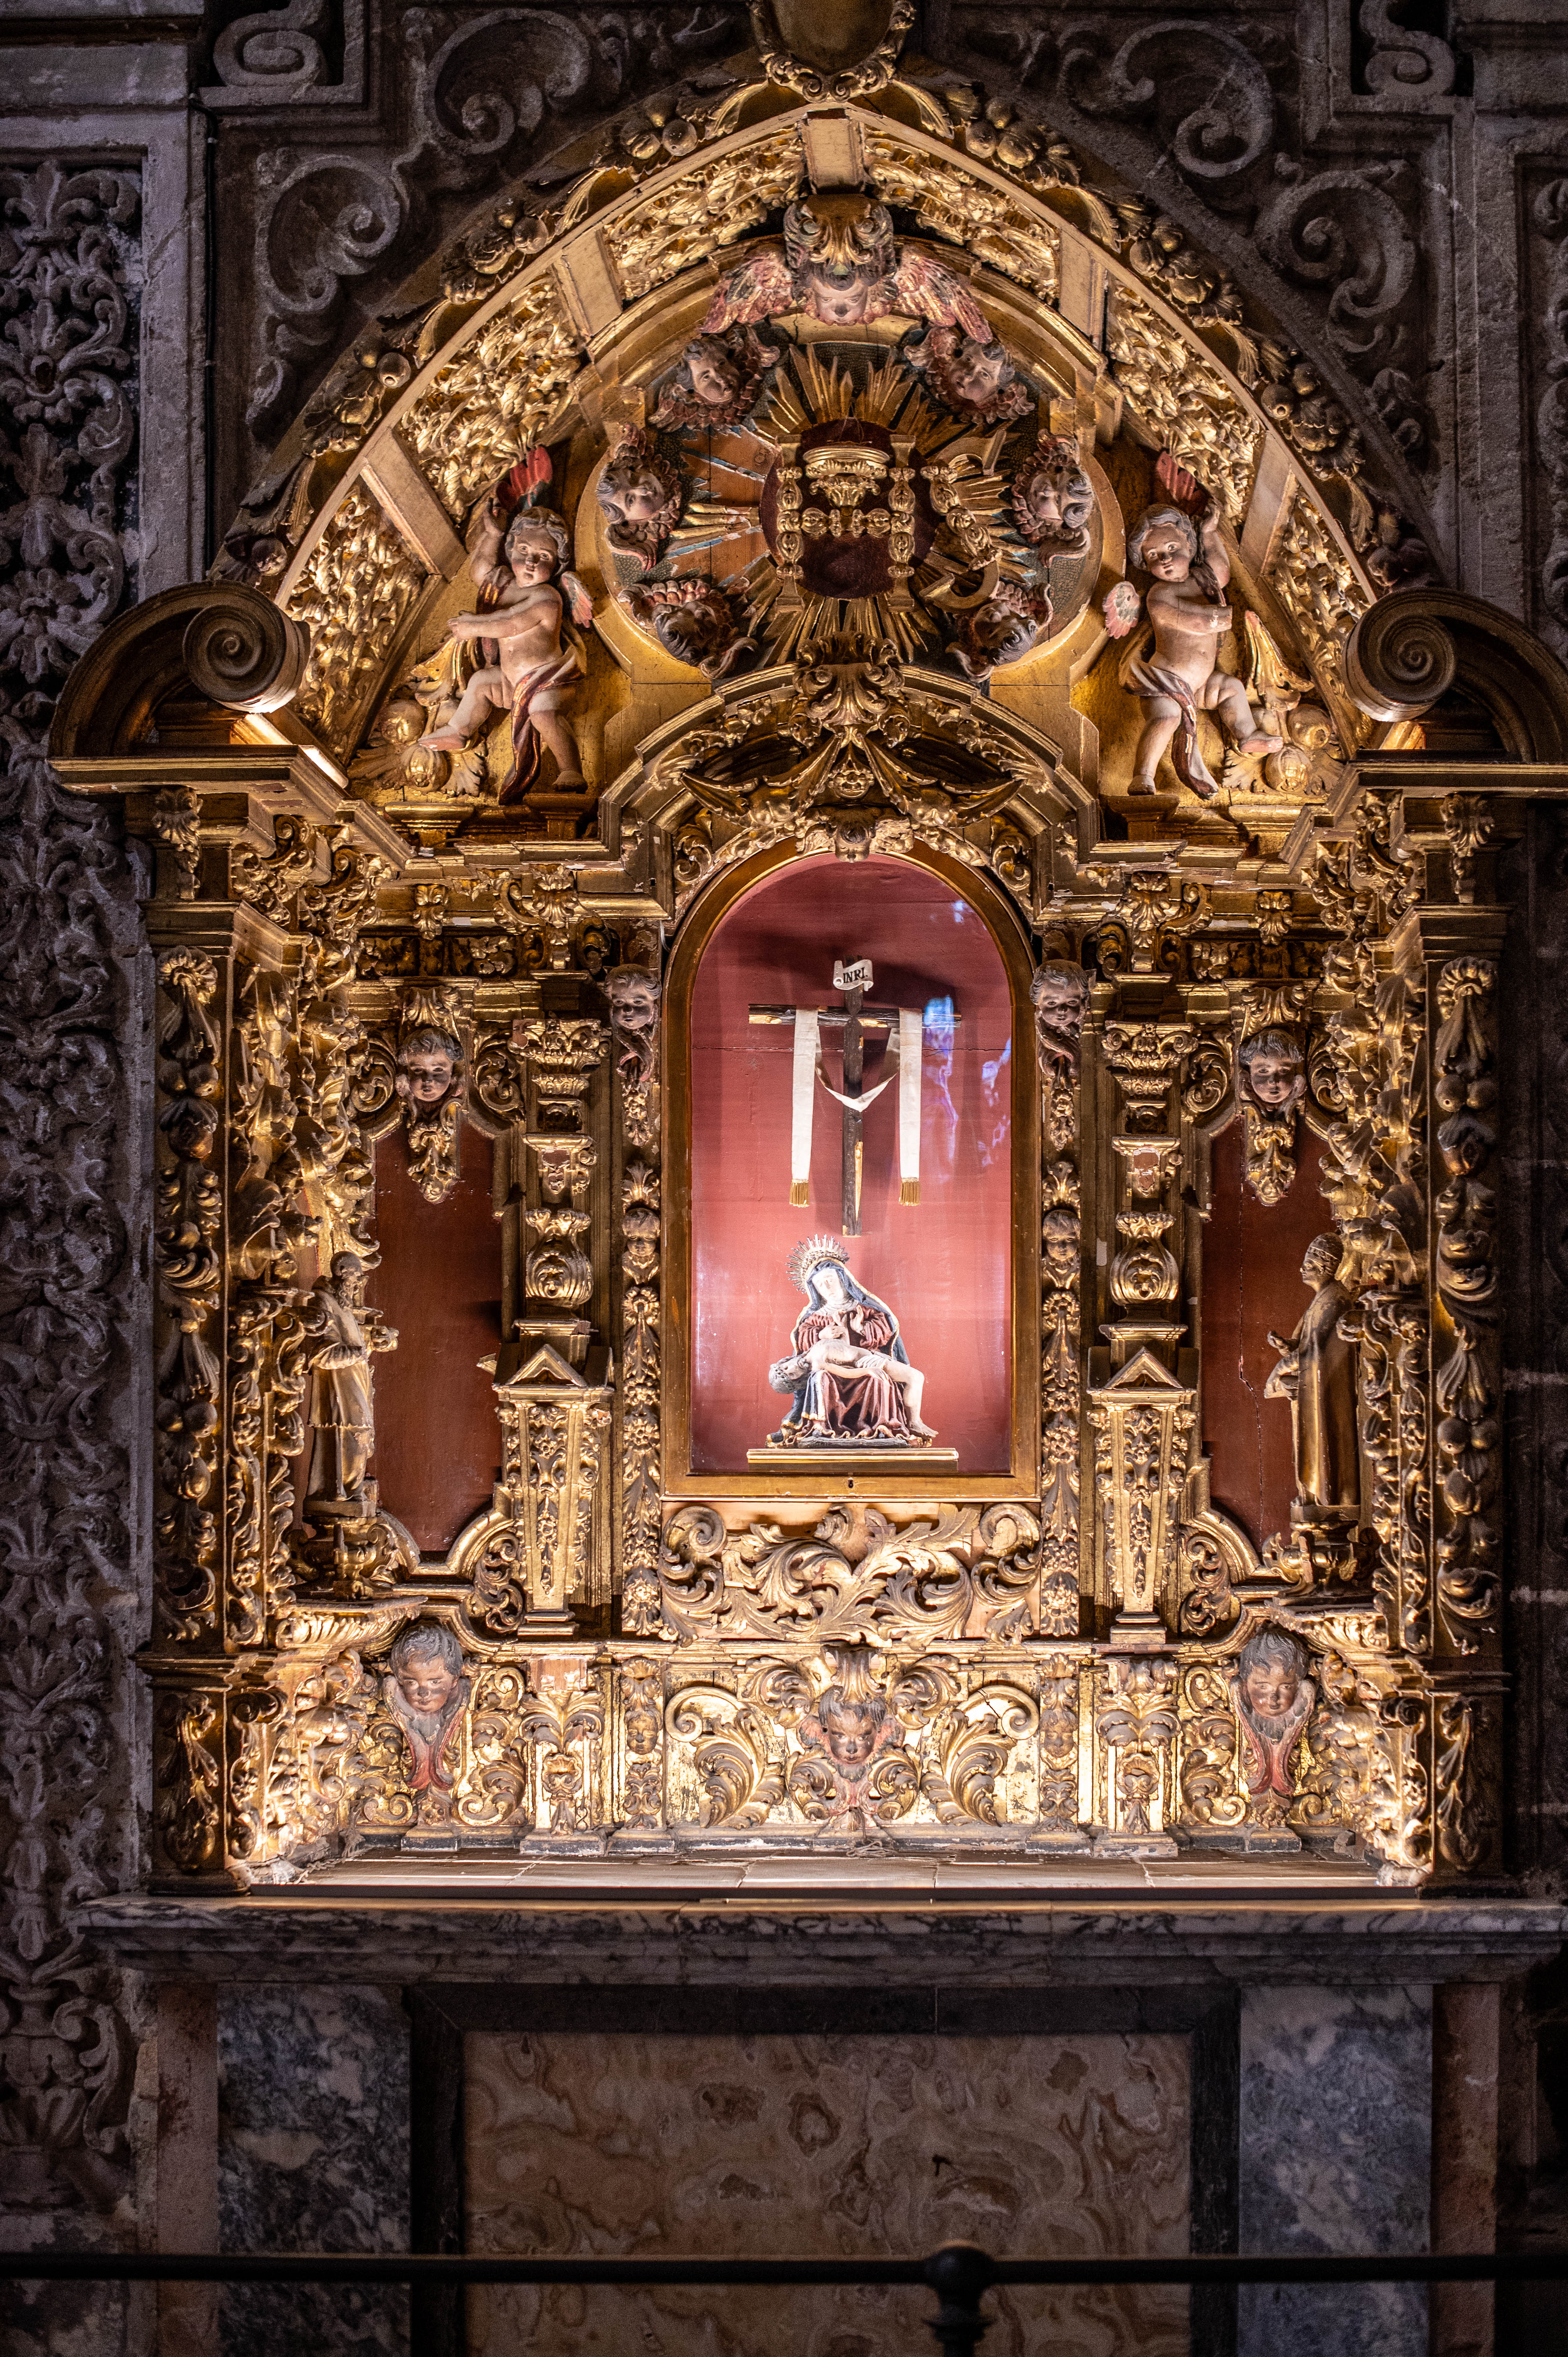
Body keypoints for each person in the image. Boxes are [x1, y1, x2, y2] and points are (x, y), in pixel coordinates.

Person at [417, 504, 590, 798]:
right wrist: (493, 535)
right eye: (524, 550)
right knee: (481, 683)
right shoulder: (504, 584)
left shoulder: (547, 597)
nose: (531, 562)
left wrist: (473, 626)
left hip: (547, 681)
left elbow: (511, 623)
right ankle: (459, 730)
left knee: (543, 714)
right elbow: (480, 570)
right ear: (511, 549)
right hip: (510, 680)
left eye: (544, 557)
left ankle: (570, 769)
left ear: (558, 564)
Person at [1118, 496, 1282, 796]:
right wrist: (1216, 619)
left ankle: (1247, 735)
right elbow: (1189, 620)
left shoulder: (1198, 580)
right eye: (1154, 556)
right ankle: (1143, 776)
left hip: (1199, 684)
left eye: (1172, 549)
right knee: (1167, 718)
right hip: (1166, 683)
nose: (1165, 559)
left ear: (1190, 546)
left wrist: (1209, 533)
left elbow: (1221, 572)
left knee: (1231, 688)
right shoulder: (1159, 595)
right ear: (1145, 564)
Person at [768, 1239, 935, 1444]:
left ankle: (893, 1426)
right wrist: (821, 1334)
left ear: (843, 1279)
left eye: (830, 1279)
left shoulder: (866, 1308)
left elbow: (885, 1331)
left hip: (868, 1359)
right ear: (814, 1289)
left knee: (891, 1378)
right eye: (820, 1284)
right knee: (820, 1378)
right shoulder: (814, 1318)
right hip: (845, 1370)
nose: (826, 1287)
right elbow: (803, 1339)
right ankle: (822, 1429)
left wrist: (861, 1328)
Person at [1266, 1234, 1360, 1511]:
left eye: (1308, 1264)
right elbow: (1309, 1345)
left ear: (1324, 1267)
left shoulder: (1334, 1300)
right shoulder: (1323, 1299)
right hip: (1314, 1384)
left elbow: (1319, 1353)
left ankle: (1327, 1499)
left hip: (1328, 1387)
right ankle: (1311, 1495)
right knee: (1309, 1442)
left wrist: (1280, 1370)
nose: (1302, 1269)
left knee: (1324, 1442)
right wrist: (1288, 1347)